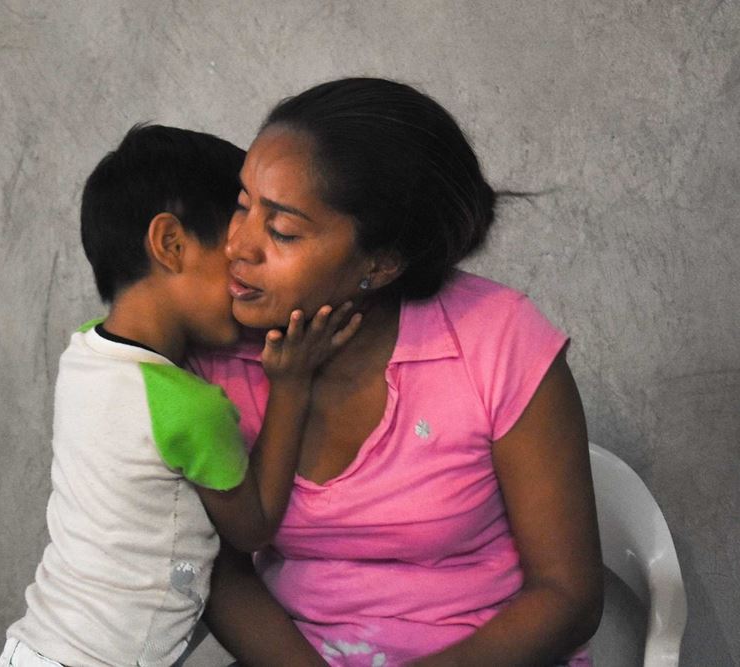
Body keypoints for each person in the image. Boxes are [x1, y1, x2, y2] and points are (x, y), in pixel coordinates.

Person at [190, 78, 604, 666]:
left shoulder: (496, 340)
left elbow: (568, 596)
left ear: (383, 262)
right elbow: (217, 569)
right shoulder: (218, 355)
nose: (238, 246)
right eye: (241, 204)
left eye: (282, 231)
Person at [0, 124, 361, 667]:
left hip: (36, 646)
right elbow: (253, 526)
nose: (244, 283)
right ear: (170, 244)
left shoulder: (84, 356)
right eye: (233, 259)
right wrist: (290, 385)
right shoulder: (188, 407)